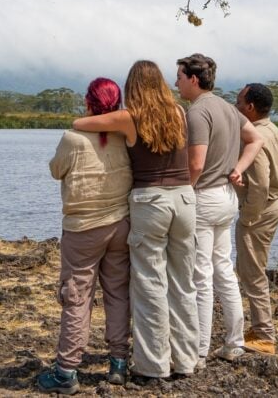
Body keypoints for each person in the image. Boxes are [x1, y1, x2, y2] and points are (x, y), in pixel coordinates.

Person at [73, 60, 200, 379]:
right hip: (185, 198)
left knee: (149, 285)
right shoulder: (179, 113)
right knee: (183, 284)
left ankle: (152, 365)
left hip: (151, 201)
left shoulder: (131, 117)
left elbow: (81, 124)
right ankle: (186, 361)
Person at [37, 78, 133, 394]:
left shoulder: (72, 138)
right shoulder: (124, 136)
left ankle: (66, 371)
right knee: (117, 292)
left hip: (82, 229)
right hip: (119, 224)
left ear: (89, 103)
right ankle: (118, 363)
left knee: (77, 297)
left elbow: (55, 170)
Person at [175, 53, 263, 365]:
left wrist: (181, 190)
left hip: (204, 198)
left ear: (193, 79)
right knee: (223, 270)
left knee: (200, 275)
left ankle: (198, 351)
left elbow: (196, 163)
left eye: (180, 77)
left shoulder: (197, 112)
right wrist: (238, 168)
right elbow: (256, 139)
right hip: (226, 198)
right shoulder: (227, 107)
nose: (176, 83)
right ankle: (234, 342)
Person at [234, 83, 278, 355]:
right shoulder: (273, 130)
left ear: (250, 107)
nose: (235, 106)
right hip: (272, 205)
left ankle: (264, 335)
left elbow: (260, 183)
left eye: (239, 101)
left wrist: (247, 217)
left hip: (260, 209)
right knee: (251, 269)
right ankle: (258, 328)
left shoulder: (255, 136)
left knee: (252, 272)